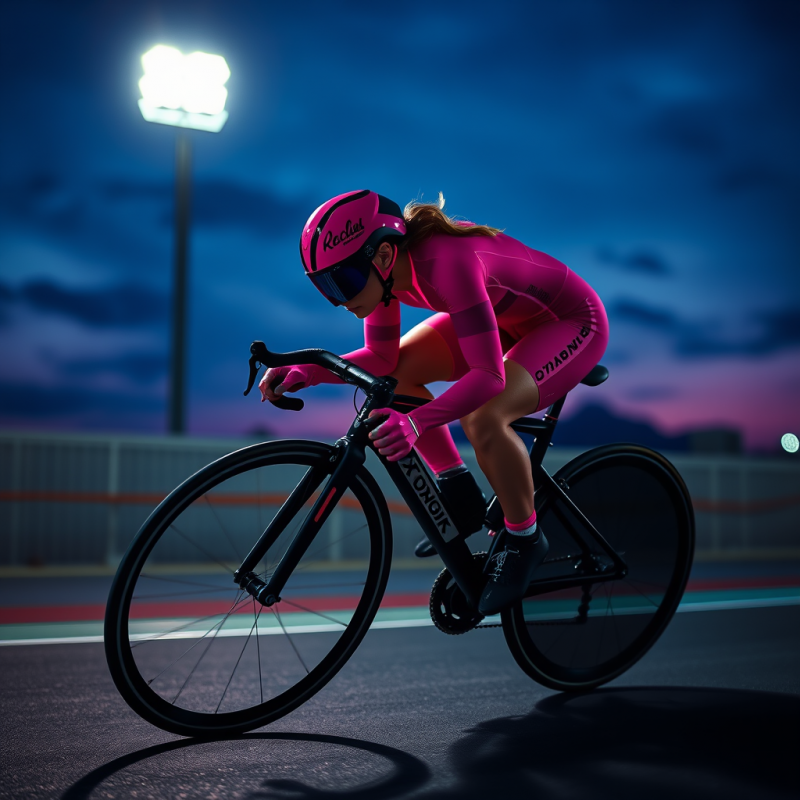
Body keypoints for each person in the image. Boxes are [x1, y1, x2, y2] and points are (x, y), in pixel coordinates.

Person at [260, 190, 609, 616]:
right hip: (502, 317)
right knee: (394, 377)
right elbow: (383, 360)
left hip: (571, 322)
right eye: (325, 286)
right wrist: (307, 371)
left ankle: (525, 537)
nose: (341, 299)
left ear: (385, 255)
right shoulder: (385, 276)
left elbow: (487, 377)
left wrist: (417, 424)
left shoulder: (447, 264)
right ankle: (459, 492)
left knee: (486, 417)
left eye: (346, 281)